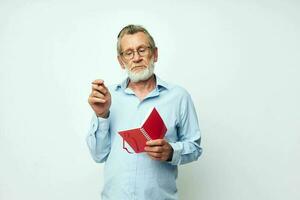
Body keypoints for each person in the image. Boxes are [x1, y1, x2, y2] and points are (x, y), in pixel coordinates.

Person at [86, 24, 202, 200]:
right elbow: (98, 155)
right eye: (129, 53)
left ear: (154, 54)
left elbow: (195, 147)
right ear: (121, 61)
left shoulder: (178, 97)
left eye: (142, 50)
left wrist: (172, 151)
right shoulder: (108, 98)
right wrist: (102, 116)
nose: (136, 58)